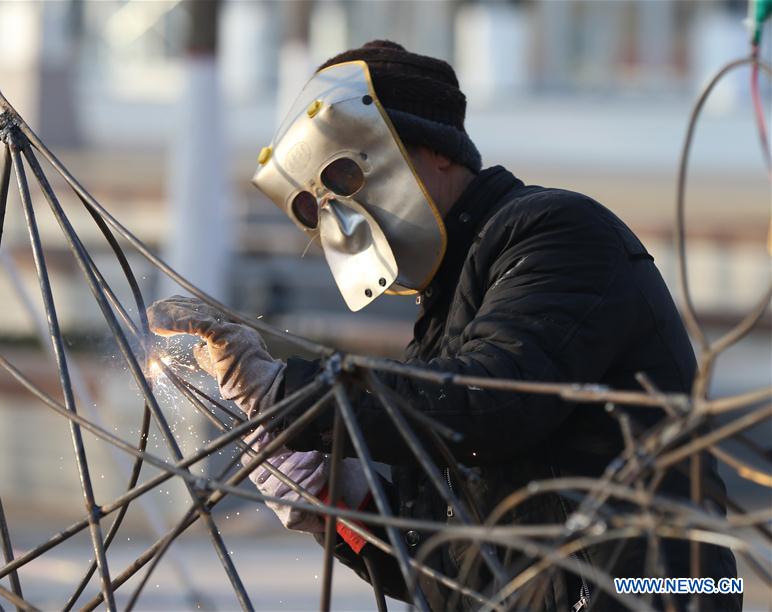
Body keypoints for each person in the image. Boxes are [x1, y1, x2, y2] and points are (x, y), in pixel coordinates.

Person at [148, 41, 741, 611]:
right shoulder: (444, 314)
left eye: (345, 178)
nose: (337, 217)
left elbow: (491, 403)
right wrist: (340, 496)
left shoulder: (556, 234)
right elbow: (447, 572)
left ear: (438, 151)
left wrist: (293, 400)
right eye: (313, 206)